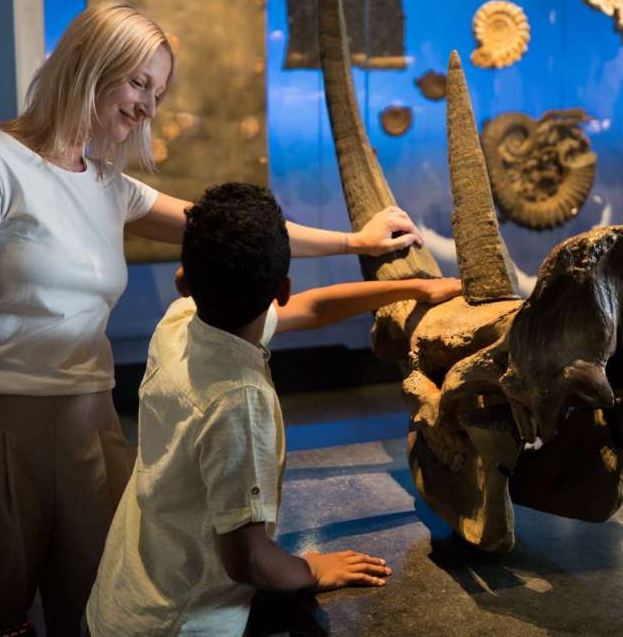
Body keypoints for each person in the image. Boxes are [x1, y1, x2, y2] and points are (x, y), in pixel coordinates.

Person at [0, 2, 424, 635]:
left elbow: (239, 234)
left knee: (93, 610)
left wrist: (357, 243)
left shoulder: (108, 183)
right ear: (90, 65)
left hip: (92, 424)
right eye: (138, 82)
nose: (148, 106)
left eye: (157, 91)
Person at [85, 183, 460, 635]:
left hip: (126, 598)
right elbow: (247, 559)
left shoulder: (181, 320)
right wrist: (311, 571)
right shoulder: (239, 403)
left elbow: (314, 307)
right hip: (183, 621)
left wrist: (413, 288)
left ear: (184, 280)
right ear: (280, 288)